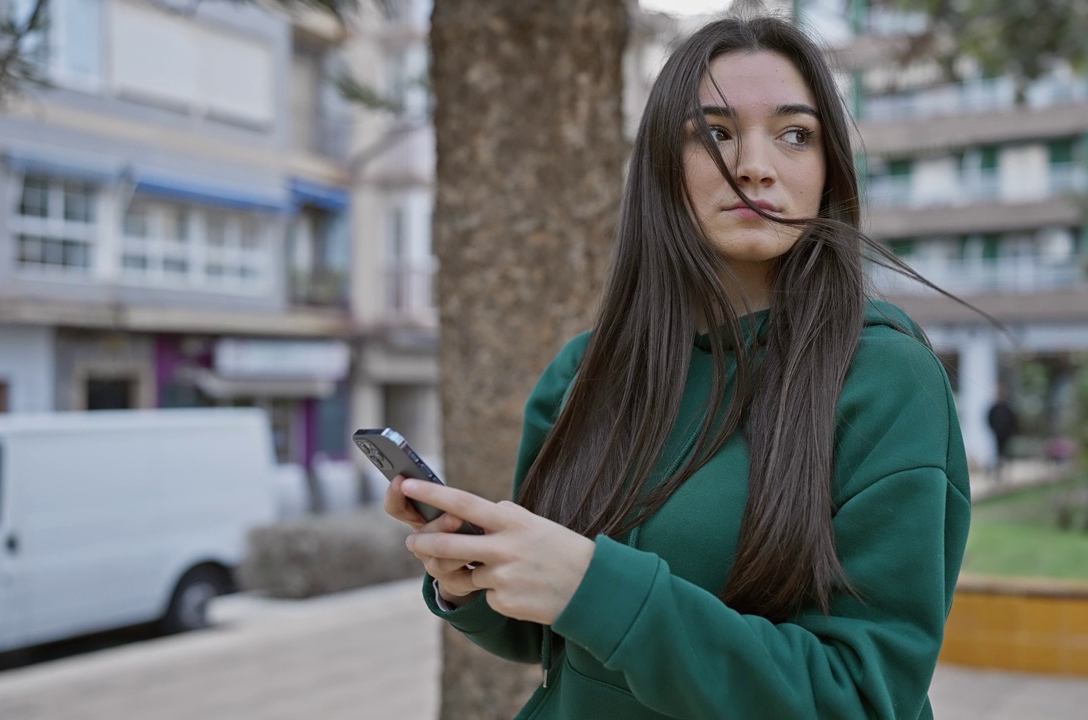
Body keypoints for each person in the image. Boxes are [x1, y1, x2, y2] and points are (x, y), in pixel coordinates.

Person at [385, 15, 970, 719]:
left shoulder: (883, 378)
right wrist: (468, 579)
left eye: (794, 134)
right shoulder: (586, 372)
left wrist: (597, 586)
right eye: (716, 132)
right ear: (665, 162)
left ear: (828, 172)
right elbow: (554, 635)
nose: (756, 164)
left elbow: (861, 697)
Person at [986, 388, 1019, 483]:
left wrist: (1011, 431)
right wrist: (994, 429)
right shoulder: (993, 409)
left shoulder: (1007, 409)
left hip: (1006, 435)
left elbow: (1014, 421)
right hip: (997, 435)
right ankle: (997, 473)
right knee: (997, 454)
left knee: (1006, 453)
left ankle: (1006, 473)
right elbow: (989, 419)